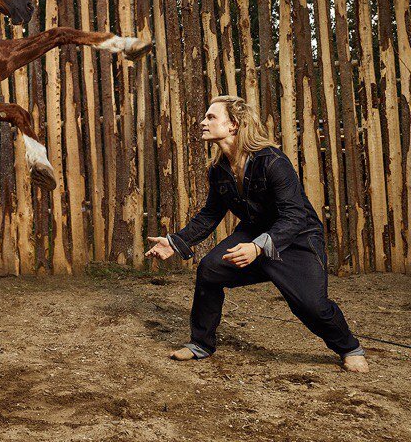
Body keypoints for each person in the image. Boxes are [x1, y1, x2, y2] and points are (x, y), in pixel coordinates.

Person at [145, 95, 367, 372]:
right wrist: (175, 242)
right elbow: (211, 213)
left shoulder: (273, 161)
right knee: (210, 270)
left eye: (211, 117)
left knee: (311, 305)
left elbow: (295, 215)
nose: (203, 122)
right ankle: (201, 344)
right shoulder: (218, 169)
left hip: (297, 238)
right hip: (254, 233)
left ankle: (349, 347)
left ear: (234, 124)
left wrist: (259, 247)